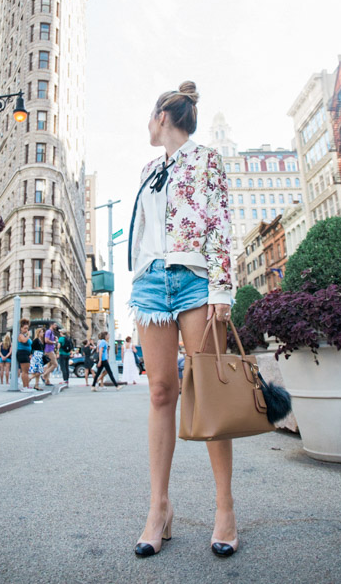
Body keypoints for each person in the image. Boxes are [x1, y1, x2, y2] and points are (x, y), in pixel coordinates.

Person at [127, 81, 234, 559]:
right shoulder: (150, 169)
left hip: (194, 281)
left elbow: (220, 223)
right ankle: (159, 507)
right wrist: (137, 280)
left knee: (209, 390)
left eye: (150, 118)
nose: (147, 126)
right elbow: (144, 232)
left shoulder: (206, 159)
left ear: (163, 116)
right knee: (160, 392)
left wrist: (222, 288)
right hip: (151, 284)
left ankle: (225, 507)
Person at [16, 318, 32, 391]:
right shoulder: (21, 335)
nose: (26, 330)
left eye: (27, 328)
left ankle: (27, 386)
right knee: (24, 371)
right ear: (21, 328)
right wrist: (28, 335)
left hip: (26, 354)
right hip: (22, 353)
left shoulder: (25, 335)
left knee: (27, 371)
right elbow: (24, 341)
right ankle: (25, 386)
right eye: (25, 328)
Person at [42, 320, 58, 385]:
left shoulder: (52, 332)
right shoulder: (48, 331)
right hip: (49, 350)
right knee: (55, 364)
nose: (56, 326)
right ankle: (44, 375)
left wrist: (55, 339)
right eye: (55, 325)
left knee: (49, 366)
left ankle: (47, 381)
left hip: (51, 349)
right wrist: (54, 342)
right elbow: (46, 340)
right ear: (51, 325)